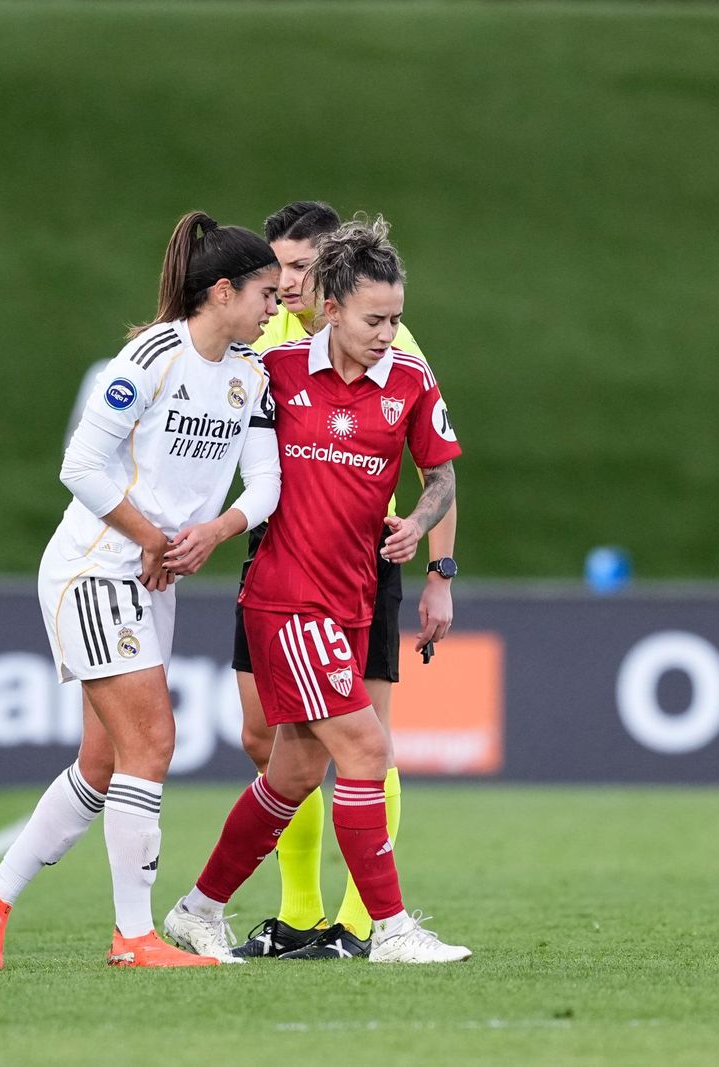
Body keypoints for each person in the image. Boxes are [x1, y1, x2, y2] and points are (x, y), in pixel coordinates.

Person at [0, 212, 282, 969]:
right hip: (99, 567)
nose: (276, 308)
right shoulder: (151, 355)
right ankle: (134, 936)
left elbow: (265, 482)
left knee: (102, 764)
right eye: (266, 293)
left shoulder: (248, 373)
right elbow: (80, 468)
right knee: (153, 742)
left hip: (150, 574)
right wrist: (156, 538)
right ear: (224, 290)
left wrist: (216, 528)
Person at [164, 215, 472, 965]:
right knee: (366, 747)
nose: (388, 333)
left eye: (397, 318)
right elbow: (199, 408)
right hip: (289, 595)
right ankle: (391, 930)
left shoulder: (409, 378)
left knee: (295, 769)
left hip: (356, 595)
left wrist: (419, 530)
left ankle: (197, 908)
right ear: (330, 309)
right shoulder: (275, 372)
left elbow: (441, 474)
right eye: (376, 319)